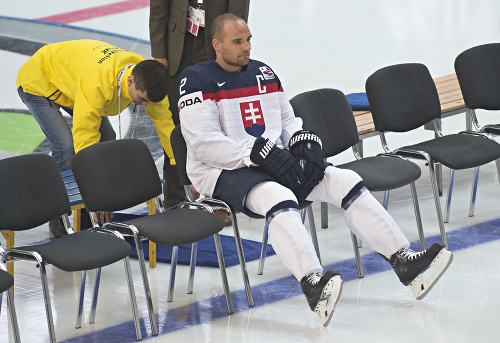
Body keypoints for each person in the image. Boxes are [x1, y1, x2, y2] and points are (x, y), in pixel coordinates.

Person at [177, 13, 454, 326]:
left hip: (269, 159)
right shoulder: (196, 80)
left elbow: (287, 121)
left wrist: (301, 143)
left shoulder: (263, 73)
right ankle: (313, 283)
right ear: (217, 45)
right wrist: (258, 154)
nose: (246, 47)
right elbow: (204, 144)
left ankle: (404, 262)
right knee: (277, 196)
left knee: (342, 179)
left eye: (249, 39)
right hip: (223, 172)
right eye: (237, 42)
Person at [17, 39, 175, 237]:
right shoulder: (97, 83)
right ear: (130, 81)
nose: (145, 105)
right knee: (65, 146)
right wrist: (97, 194)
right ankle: (60, 216)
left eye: (149, 101)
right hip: (38, 81)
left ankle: (84, 209)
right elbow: (85, 140)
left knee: (107, 137)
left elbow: (166, 126)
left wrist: (183, 168)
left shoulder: (149, 79)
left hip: (70, 81)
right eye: (142, 99)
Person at [149, 0, 250, 225]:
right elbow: (159, 6)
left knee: (221, 126)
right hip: (177, 48)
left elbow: (238, 10)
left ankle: (220, 201)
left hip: (216, 47)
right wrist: (159, 52)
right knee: (175, 126)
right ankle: (174, 198)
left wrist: (230, 49)